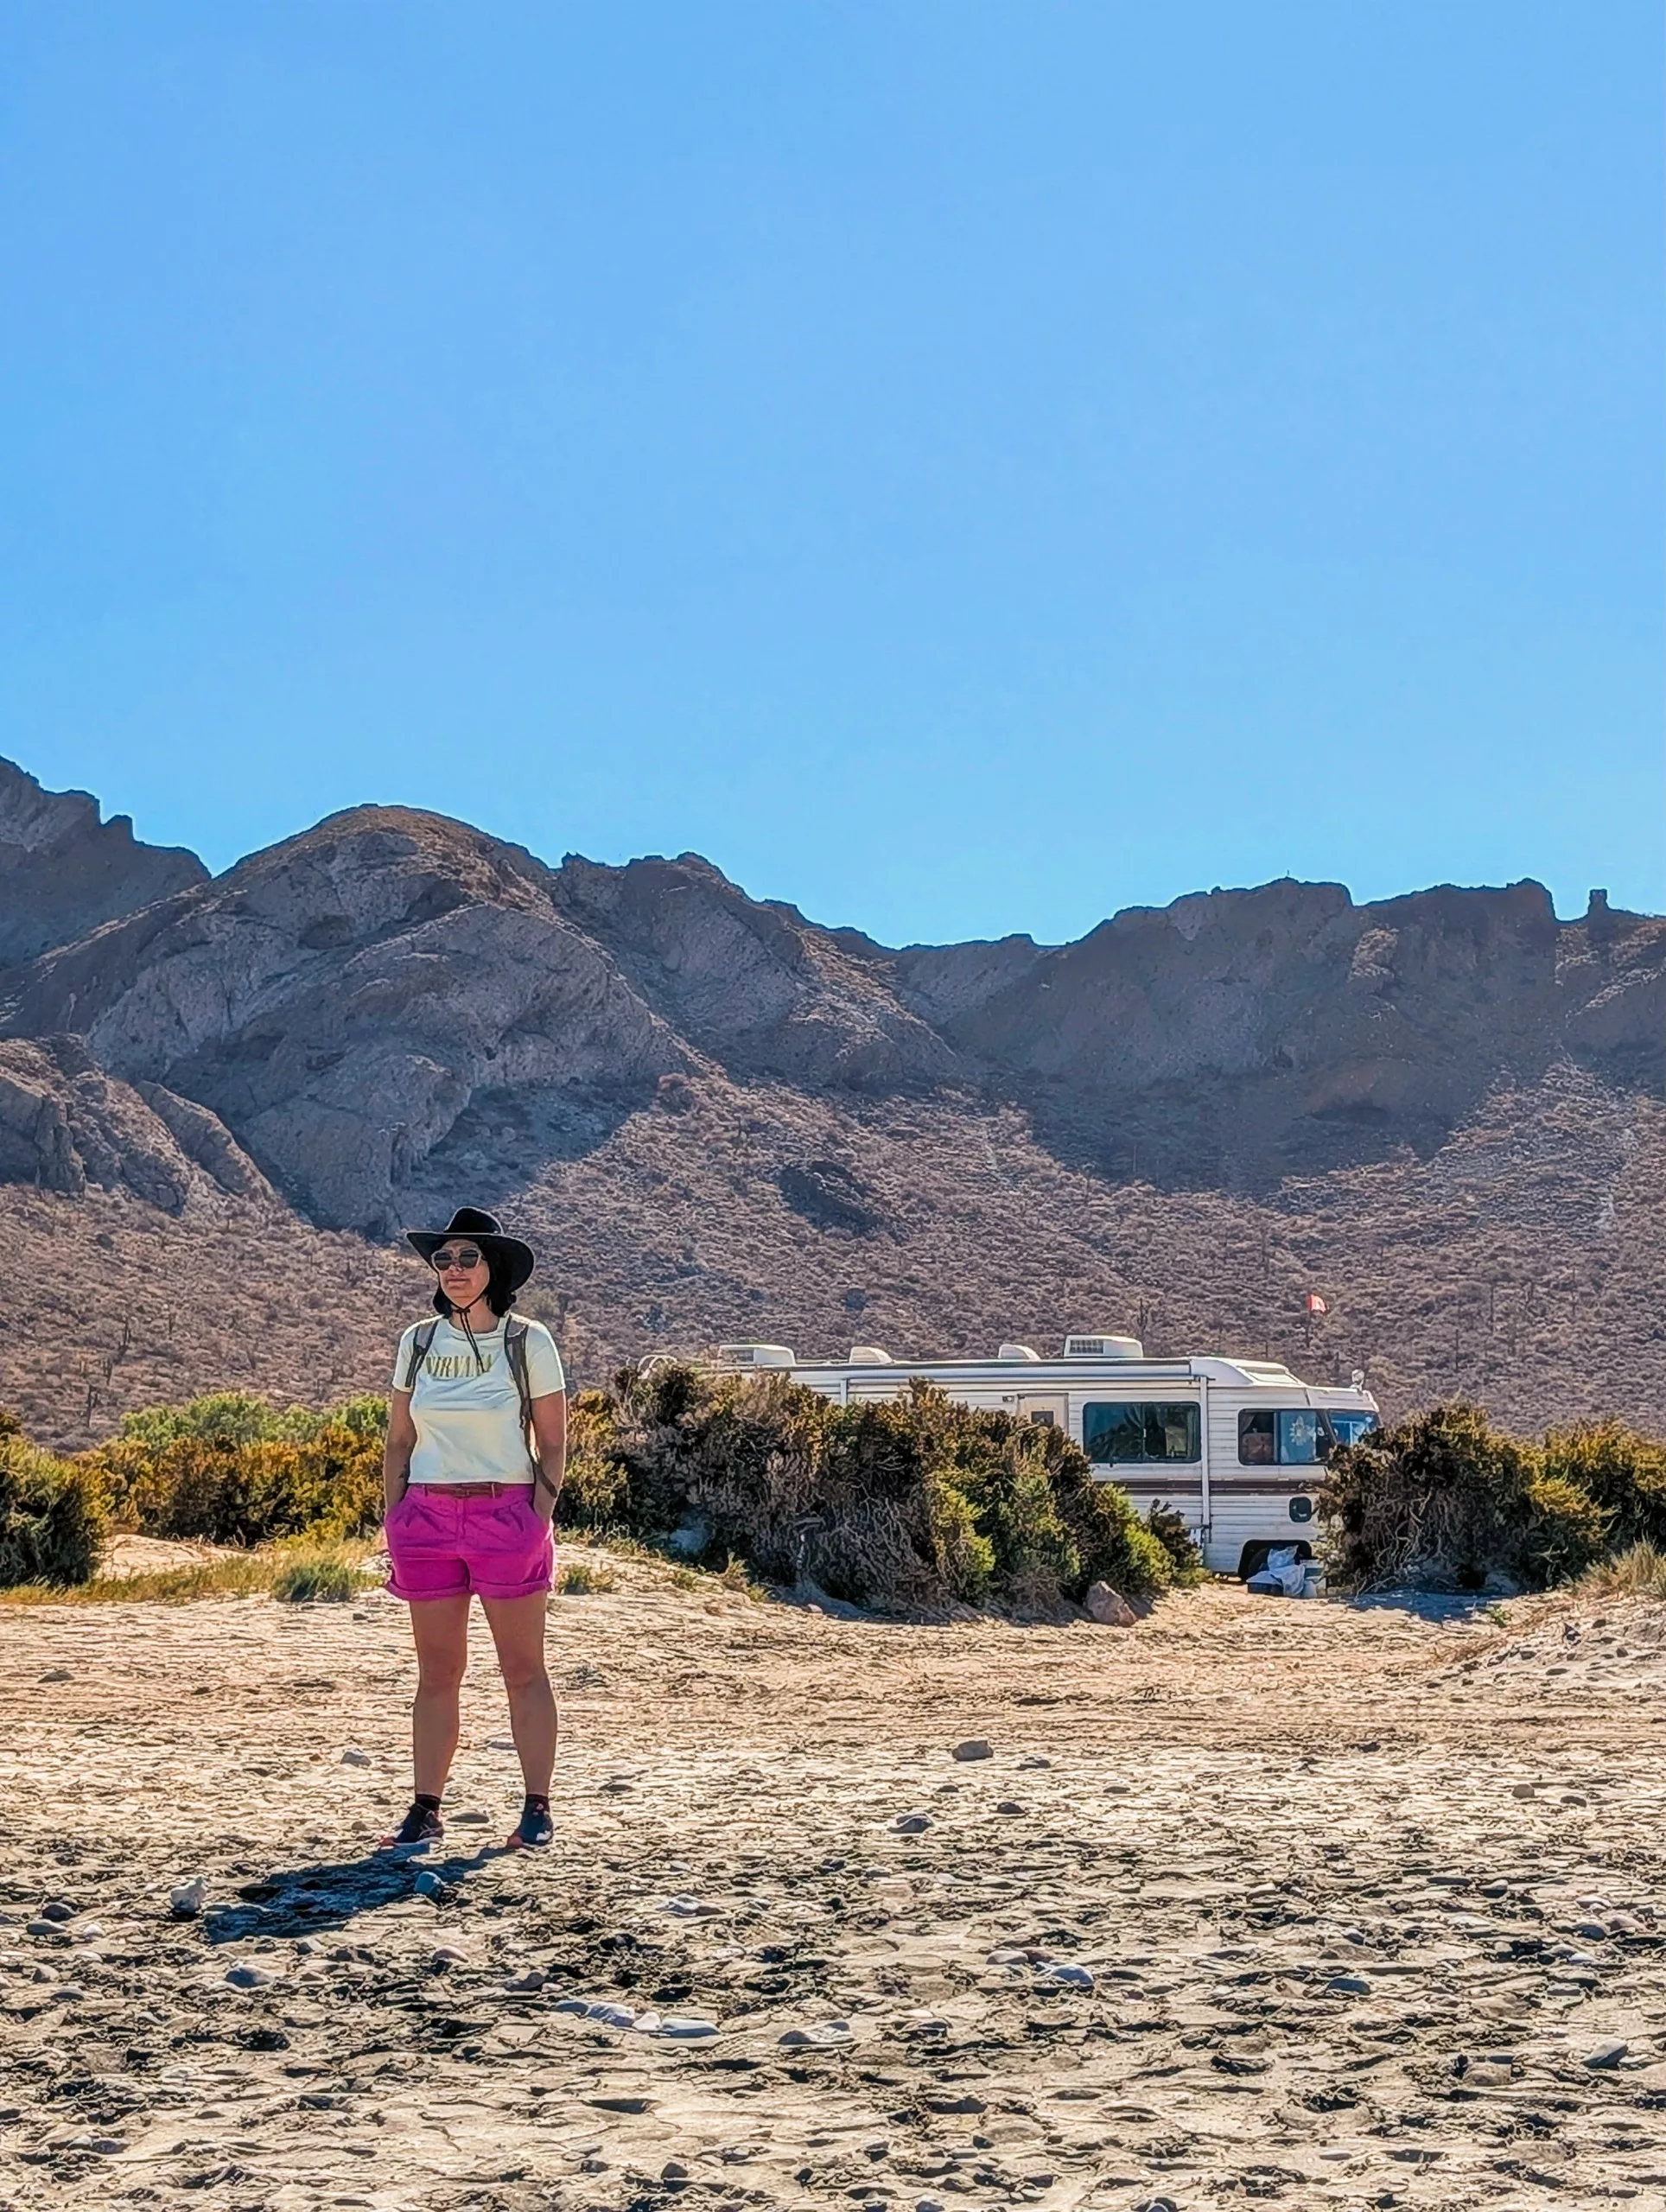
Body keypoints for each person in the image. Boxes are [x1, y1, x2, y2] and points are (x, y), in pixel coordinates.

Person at [379, 1207, 568, 1851]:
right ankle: (425, 1810)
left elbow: (553, 1444)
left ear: (494, 1269)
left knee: (523, 1668)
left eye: (468, 1258)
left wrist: (533, 1518)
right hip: (425, 1521)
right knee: (436, 1672)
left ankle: (537, 1809)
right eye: (445, 1260)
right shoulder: (419, 1342)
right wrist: (395, 1515)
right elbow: (399, 1439)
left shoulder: (528, 1342)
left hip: (505, 1515)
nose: (455, 1270)